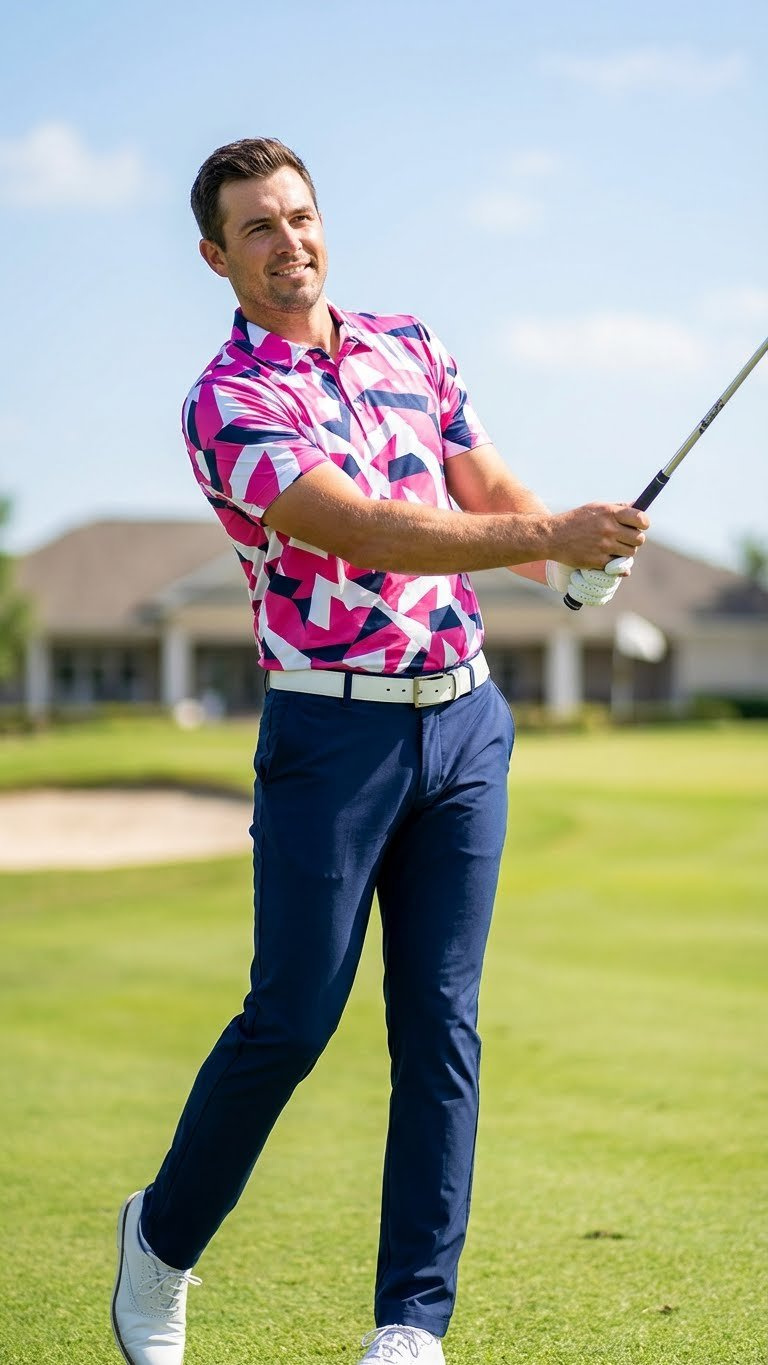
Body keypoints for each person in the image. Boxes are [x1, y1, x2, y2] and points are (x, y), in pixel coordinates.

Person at [111, 138, 649, 1365]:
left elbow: (476, 481)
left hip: (463, 722)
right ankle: (161, 1239)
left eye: (299, 216)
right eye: (257, 228)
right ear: (216, 256)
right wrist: (544, 531)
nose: (287, 241)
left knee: (440, 1024)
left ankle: (410, 1325)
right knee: (293, 1019)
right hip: (332, 732)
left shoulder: (412, 344)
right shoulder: (227, 401)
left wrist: (566, 554)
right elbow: (369, 531)